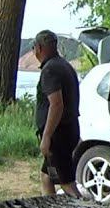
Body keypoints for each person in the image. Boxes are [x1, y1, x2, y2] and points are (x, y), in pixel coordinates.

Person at [33, 30, 81, 197]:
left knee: (67, 184)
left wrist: (46, 136)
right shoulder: (65, 66)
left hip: (59, 136)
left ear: (39, 48)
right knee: (47, 177)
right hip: (69, 130)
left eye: (34, 48)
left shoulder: (50, 70)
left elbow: (57, 105)